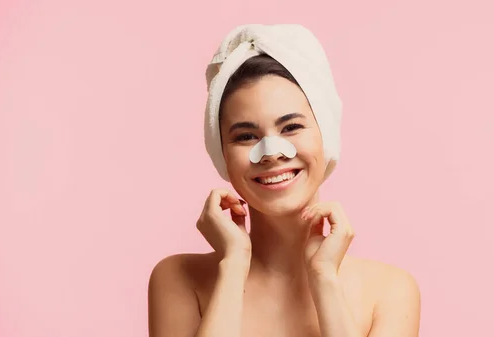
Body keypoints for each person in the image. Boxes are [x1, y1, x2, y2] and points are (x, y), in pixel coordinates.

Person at [147, 24, 421, 337]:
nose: (272, 153)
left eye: (291, 127)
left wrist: (324, 279)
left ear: (326, 136)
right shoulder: (178, 279)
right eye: (246, 135)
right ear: (221, 152)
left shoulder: (391, 291)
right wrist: (234, 266)